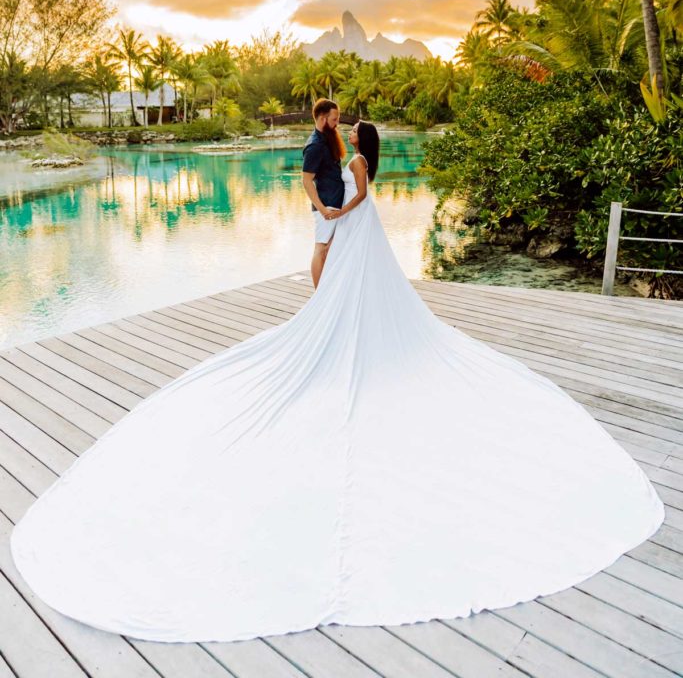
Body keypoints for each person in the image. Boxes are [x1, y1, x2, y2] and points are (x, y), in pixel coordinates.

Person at [9, 119, 664, 643]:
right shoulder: (357, 158)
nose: (346, 136)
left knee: (341, 285)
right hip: (356, 233)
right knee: (348, 284)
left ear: (359, 145)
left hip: (350, 227)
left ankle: (340, 318)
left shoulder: (353, 167)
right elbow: (354, 196)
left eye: (352, 133)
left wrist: (334, 213)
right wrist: (336, 212)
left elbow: (355, 199)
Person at [301, 98, 345, 287]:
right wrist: (321, 209)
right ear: (321, 118)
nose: (337, 123)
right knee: (321, 248)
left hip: (334, 204)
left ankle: (327, 289)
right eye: (334, 119)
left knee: (330, 248)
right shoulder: (315, 145)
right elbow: (306, 180)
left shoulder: (327, 139)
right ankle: (319, 294)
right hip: (326, 206)